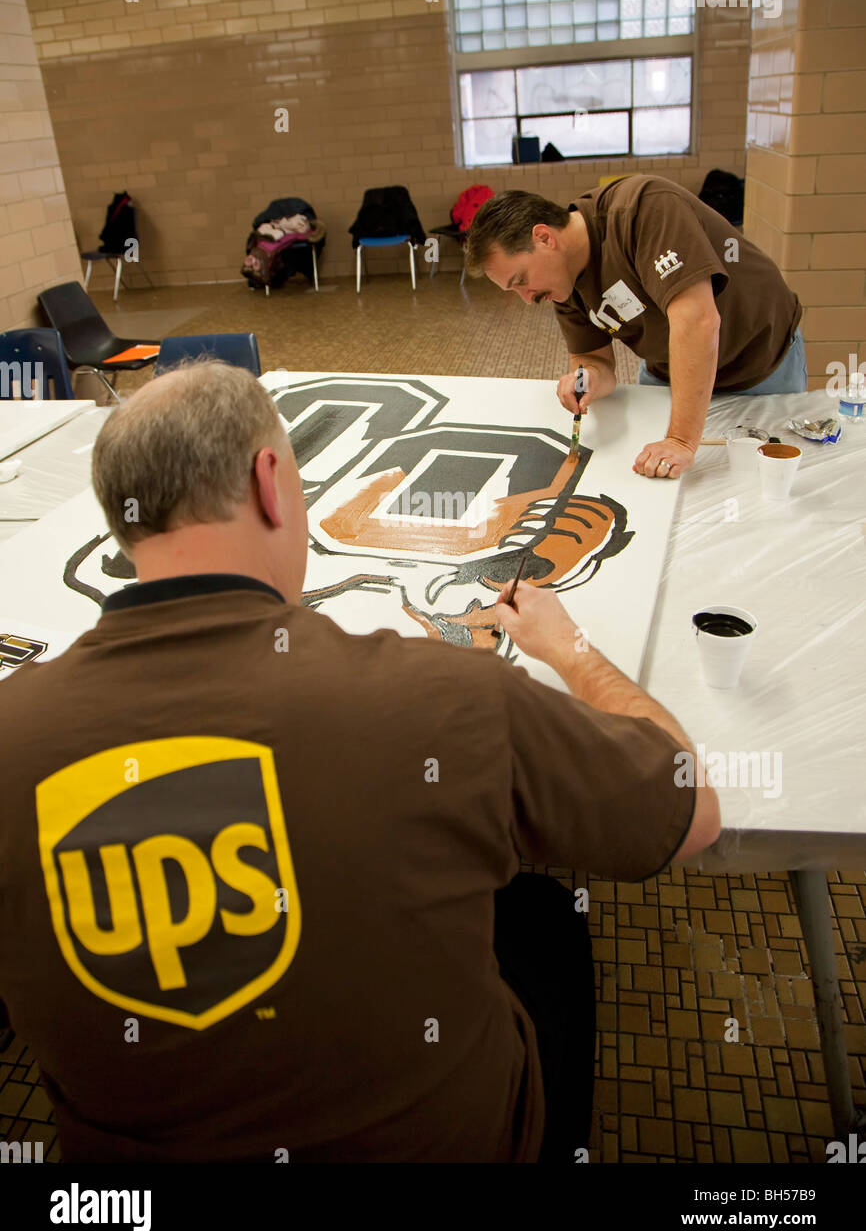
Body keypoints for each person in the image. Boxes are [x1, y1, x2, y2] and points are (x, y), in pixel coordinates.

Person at [0, 362, 720, 1163]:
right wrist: (570, 649)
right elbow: (689, 812)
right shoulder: (446, 698)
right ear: (272, 482)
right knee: (541, 916)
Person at [464, 176, 806, 481]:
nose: (527, 299)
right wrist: (588, 379)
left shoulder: (644, 209)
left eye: (521, 280)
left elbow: (698, 321)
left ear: (544, 237)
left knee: (762, 489)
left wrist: (680, 440)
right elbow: (591, 357)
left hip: (759, 365)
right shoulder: (563, 284)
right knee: (670, 492)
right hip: (671, 373)